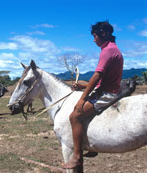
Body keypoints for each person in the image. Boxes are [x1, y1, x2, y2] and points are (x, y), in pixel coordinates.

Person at [61, 21, 124, 169]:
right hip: (108, 89)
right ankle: (89, 146)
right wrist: (84, 86)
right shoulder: (113, 49)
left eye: (95, 35)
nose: (93, 39)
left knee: (75, 116)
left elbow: (97, 75)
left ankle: (76, 156)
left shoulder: (107, 50)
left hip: (107, 93)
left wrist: (82, 99)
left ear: (103, 34)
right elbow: (102, 78)